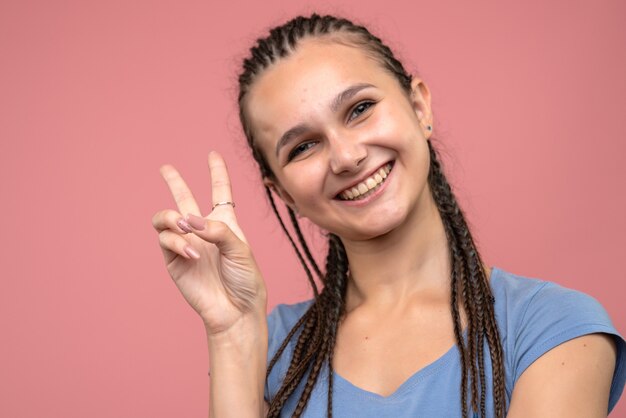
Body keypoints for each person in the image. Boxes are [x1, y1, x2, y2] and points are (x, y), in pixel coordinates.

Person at [152, 14, 625, 418]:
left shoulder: (552, 326)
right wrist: (233, 336)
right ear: (284, 194)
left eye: (359, 109)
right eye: (304, 146)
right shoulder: (268, 345)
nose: (345, 156)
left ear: (419, 106)